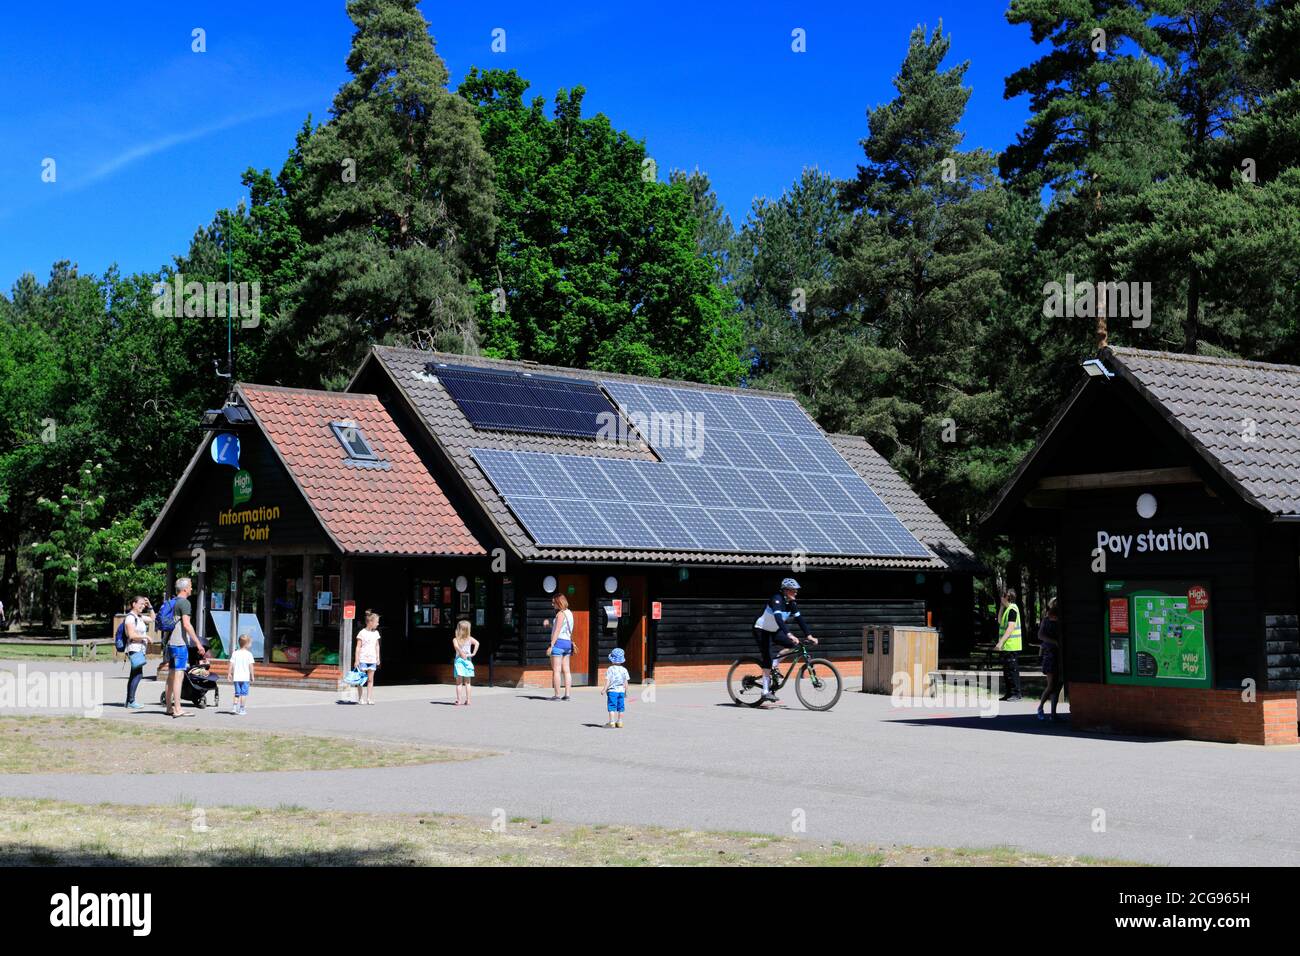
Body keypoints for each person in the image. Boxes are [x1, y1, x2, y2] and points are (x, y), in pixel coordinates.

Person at [752, 577, 817, 704]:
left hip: (774, 631)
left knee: (795, 644)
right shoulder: (776, 599)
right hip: (761, 630)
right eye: (794, 590)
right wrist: (789, 633)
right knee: (767, 658)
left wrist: (809, 635)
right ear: (786, 590)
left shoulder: (791, 603)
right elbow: (778, 619)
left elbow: (800, 620)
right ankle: (765, 691)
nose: (796, 593)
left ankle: (774, 664)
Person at [165, 578, 206, 718]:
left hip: (170, 643)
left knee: (171, 676)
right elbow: (187, 625)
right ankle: (177, 709)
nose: (191, 589)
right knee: (178, 676)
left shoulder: (172, 601)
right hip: (179, 644)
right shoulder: (185, 603)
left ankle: (169, 707)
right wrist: (198, 643)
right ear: (184, 589)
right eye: (190, 587)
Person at [123, 595, 152, 710]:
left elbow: (153, 618)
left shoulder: (139, 617)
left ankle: (129, 700)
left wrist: (150, 606)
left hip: (140, 649)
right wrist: (145, 637)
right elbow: (131, 635)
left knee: (134, 675)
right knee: (138, 674)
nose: (142, 606)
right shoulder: (130, 617)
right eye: (140, 603)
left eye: (143, 604)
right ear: (134, 604)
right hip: (134, 649)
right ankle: (131, 701)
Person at [1037, 598, 1064, 721]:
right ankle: (1040, 707)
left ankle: (1053, 714)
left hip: (1060, 656)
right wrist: (1054, 642)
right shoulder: (1047, 620)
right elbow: (1040, 636)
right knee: (1051, 685)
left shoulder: (1061, 619)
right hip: (1050, 655)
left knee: (1058, 686)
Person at [996, 588, 1023, 702]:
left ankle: (1016, 694)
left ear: (1007, 597)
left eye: (1002, 597)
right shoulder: (1007, 609)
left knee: (1012, 670)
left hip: (1012, 645)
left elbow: (1011, 627)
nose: (1000, 599)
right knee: (1007, 671)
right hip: (1007, 646)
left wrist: (1001, 642)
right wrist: (1002, 607)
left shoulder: (1012, 609)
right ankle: (1009, 693)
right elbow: (1000, 621)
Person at [547, 593, 575, 701]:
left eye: (554, 602)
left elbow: (557, 631)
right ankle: (567, 694)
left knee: (557, 670)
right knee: (567, 670)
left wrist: (551, 645)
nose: (552, 604)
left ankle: (557, 695)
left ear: (559, 602)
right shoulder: (570, 613)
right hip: (567, 643)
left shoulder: (560, 614)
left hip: (558, 643)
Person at [354, 611, 381, 705]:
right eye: (376, 622)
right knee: (361, 680)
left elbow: (377, 646)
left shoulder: (376, 633)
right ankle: (360, 698)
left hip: (372, 659)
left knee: (370, 680)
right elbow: (358, 647)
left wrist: (378, 657)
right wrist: (357, 660)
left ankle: (369, 698)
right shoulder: (362, 633)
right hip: (363, 659)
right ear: (370, 622)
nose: (378, 624)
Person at [452, 619, 479, 706]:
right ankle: (468, 700)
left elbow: (456, 647)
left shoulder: (455, 639)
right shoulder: (470, 639)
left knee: (459, 682)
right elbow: (477, 643)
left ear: (459, 629)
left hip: (459, 661)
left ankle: (459, 700)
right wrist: (473, 653)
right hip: (468, 660)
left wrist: (461, 652)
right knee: (468, 682)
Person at [604, 647, 630, 728]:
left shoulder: (610, 669)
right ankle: (620, 722)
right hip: (621, 691)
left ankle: (611, 722)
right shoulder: (624, 670)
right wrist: (625, 692)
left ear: (612, 660)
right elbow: (626, 682)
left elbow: (608, 681)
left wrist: (604, 689)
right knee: (621, 707)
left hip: (612, 691)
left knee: (611, 706)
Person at [230, 633, 255, 716]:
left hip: (236, 677)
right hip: (245, 677)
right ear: (247, 644)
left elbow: (231, 664)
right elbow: (250, 666)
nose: (251, 645)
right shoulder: (249, 654)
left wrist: (229, 673)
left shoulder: (235, 653)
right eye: (250, 643)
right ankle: (242, 709)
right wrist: (252, 675)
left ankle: (234, 708)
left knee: (237, 693)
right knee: (243, 694)